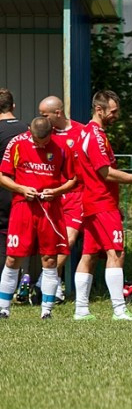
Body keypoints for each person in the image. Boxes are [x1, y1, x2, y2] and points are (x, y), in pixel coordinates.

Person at [73, 90, 132, 321]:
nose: (116, 115)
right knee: (117, 252)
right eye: (113, 111)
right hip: (101, 202)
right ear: (99, 109)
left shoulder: (87, 132)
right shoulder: (95, 136)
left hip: (94, 201)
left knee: (90, 254)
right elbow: (106, 172)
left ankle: (81, 310)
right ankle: (119, 310)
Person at [0, 117, 76, 319]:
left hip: (50, 209)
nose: (39, 144)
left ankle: (46, 311)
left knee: (50, 258)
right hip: (23, 207)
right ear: (30, 132)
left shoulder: (61, 147)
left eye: (43, 142)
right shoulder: (17, 143)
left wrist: (57, 191)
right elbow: (3, 176)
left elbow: (73, 179)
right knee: (13, 256)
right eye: (35, 140)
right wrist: (20, 188)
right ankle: (3, 309)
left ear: (51, 133)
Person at [38, 95, 85, 303]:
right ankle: (51, 284)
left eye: (44, 114)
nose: (41, 118)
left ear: (58, 113)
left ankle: (45, 281)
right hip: (52, 195)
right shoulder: (44, 135)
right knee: (50, 243)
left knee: (68, 240)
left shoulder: (82, 132)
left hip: (77, 194)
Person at [0, 89, 29, 265]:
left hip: (3, 189)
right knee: (18, 238)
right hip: (25, 191)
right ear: (13, 106)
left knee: (3, 241)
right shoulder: (28, 129)